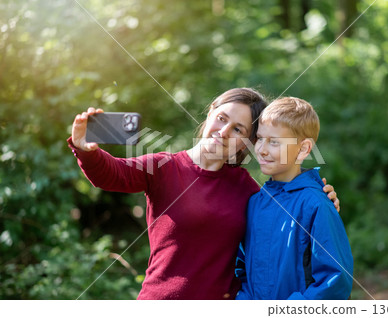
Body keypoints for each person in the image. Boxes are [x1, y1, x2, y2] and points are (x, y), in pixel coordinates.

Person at [68, 88, 340, 300]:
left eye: (238, 129)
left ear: (248, 141)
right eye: (222, 118)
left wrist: (319, 195)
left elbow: (284, 219)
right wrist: (86, 149)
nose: (223, 132)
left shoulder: (248, 189)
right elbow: (111, 173)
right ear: (211, 112)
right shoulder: (165, 167)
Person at [236, 97, 353, 300]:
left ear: (304, 149)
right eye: (260, 138)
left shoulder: (316, 204)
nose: (262, 149)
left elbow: (334, 281)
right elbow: (242, 267)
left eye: (274, 142)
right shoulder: (256, 203)